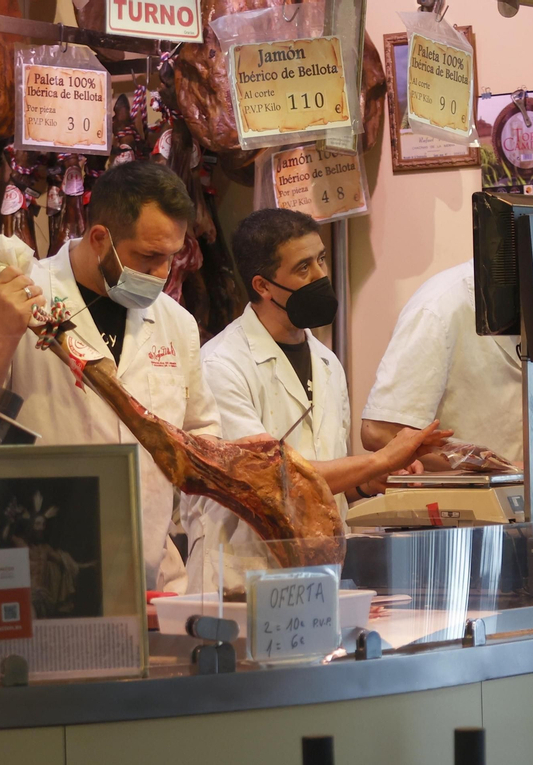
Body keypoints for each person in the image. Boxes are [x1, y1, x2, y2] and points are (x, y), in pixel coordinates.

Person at [0, 160, 231, 592]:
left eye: (170, 258)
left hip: (149, 574)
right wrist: (2, 334)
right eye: (148, 257)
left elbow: (200, 442)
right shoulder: (16, 295)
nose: (162, 274)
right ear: (99, 238)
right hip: (39, 575)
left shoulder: (176, 323)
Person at [184, 209, 449, 589]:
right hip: (241, 575)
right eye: (304, 267)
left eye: (321, 259)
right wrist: (379, 459)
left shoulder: (326, 362)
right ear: (263, 286)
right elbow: (270, 481)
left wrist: (371, 480)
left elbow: (324, 475)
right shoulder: (221, 364)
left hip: (318, 574)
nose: (321, 276)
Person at [360, 260, 526, 468]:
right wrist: (496, 466)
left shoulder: (528, 299)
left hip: (509, 490)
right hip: (448, 496)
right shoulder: (438, 306)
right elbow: (380, 432)